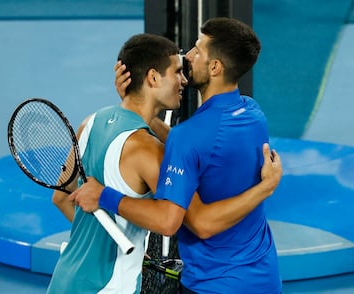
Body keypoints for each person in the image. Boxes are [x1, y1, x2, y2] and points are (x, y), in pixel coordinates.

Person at [50, 30, 281, 293]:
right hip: (109, 287)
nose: (184, 75)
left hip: (65, 279)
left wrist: (131, 102)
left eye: (196, 50)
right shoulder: (253, 113)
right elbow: (170, 220)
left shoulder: (88, 123)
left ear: (216, 66)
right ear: (152, 77)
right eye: (177, 71)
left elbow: (60, 198)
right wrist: (266, 187)